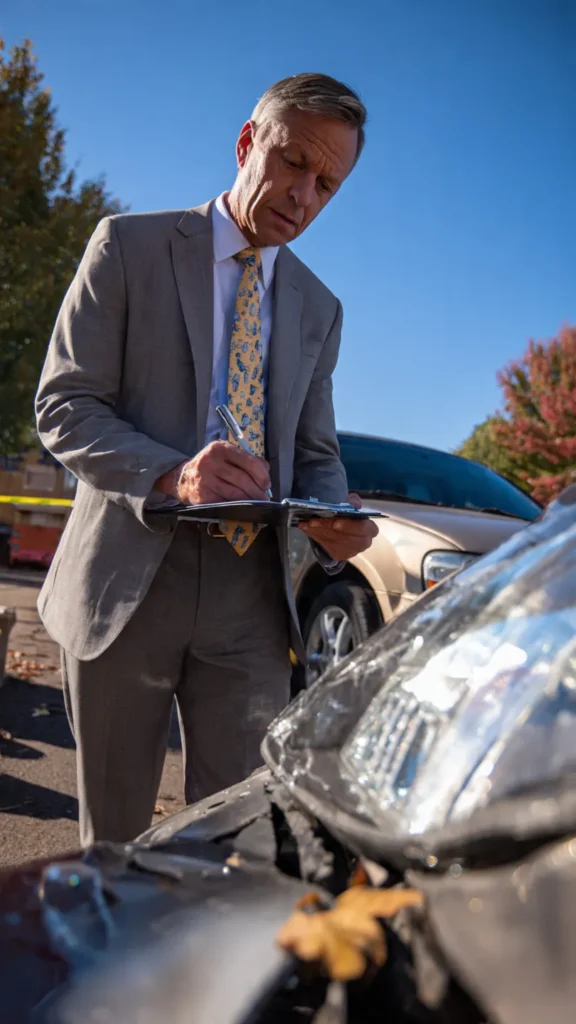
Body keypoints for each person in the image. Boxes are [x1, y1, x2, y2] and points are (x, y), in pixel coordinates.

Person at [35, 72, 378, 846]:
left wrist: (334, 515)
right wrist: (173, 473)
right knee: (113, 848)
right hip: (127, 583)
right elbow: (65, 404)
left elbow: (315, 452)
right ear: (248, 142)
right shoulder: (128, 247)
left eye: (327, 185)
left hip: (250, 604)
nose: (304, 196)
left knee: (229, 844)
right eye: (293, 162)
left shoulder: (321, 310)